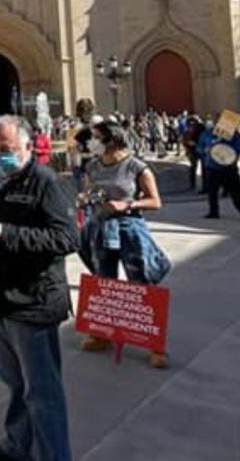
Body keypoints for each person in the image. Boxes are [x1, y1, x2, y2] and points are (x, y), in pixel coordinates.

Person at [0, 116, 77, 461]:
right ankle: (17, 446)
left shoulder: (45, 182)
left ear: (28, 146)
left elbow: (68, 237)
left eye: (5, 149)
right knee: (14, 382)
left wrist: (8, 235)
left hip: (31, 301)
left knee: (43, 392)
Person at [77, 120, 168, 368]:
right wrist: (84, 199)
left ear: (111, 140)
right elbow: (89, 192)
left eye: (95, 137)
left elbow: (155, 201)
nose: (90, 142)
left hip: (129, 228)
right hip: (100, 226)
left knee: (141, 283)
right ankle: (101, 333)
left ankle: (155, 345)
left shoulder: (136, 167)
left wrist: (128, 204)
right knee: (102, 280)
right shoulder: (92, 166)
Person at [198, 115, 240, 219]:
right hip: (212, 167)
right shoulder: (207, 133)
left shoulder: (233, 135)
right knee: (212, 192)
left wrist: (233, 156)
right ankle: (213, 212)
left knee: (236, 192)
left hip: (228, 168)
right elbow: (200, 147)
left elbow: (238, 147)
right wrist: (205, 151)